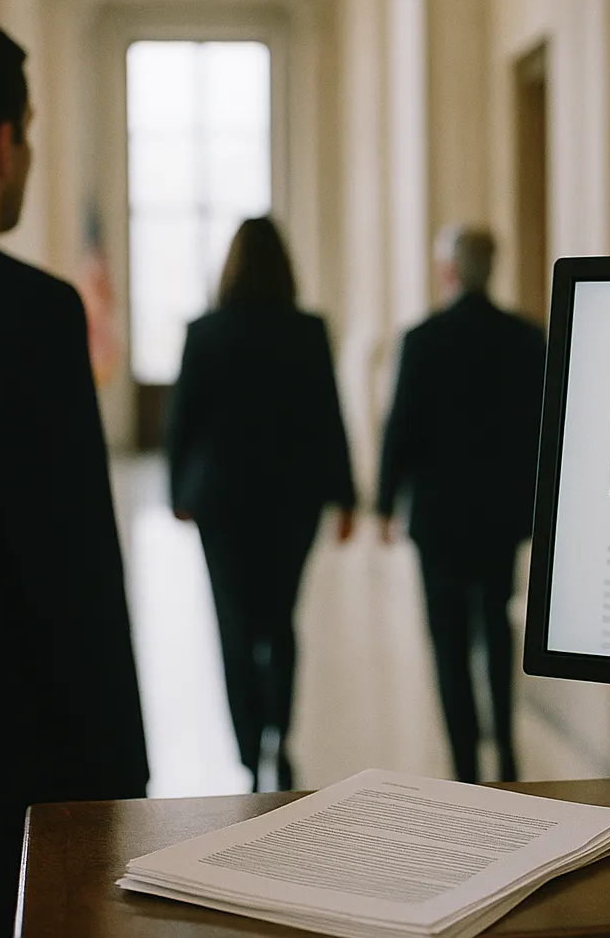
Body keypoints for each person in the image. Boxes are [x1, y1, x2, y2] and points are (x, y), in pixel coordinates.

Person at [0, 14, 150, 934]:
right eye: (27, 130)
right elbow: (73, 580)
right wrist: (121, 781)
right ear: (3, 142)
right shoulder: (30, 316)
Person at [165, 216, 356, 792]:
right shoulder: (306, 331)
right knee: (280, 621)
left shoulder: (205, 332)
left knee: (234, 624)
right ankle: (279, 734)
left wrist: (177, 492)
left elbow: (183, 422)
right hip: (291, 501)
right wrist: (344, 495)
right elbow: (328, 415)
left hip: (221, 502)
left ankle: (248, 753)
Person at [376, 225, 546, 783]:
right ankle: (508, 742)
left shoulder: (422, 340)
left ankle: (465, 759)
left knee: (447, 639)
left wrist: (383, 503)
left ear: (447, 270)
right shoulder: (526, 339)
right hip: (501, 513)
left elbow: (401, 428)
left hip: (440, 516)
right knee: (496, 624)